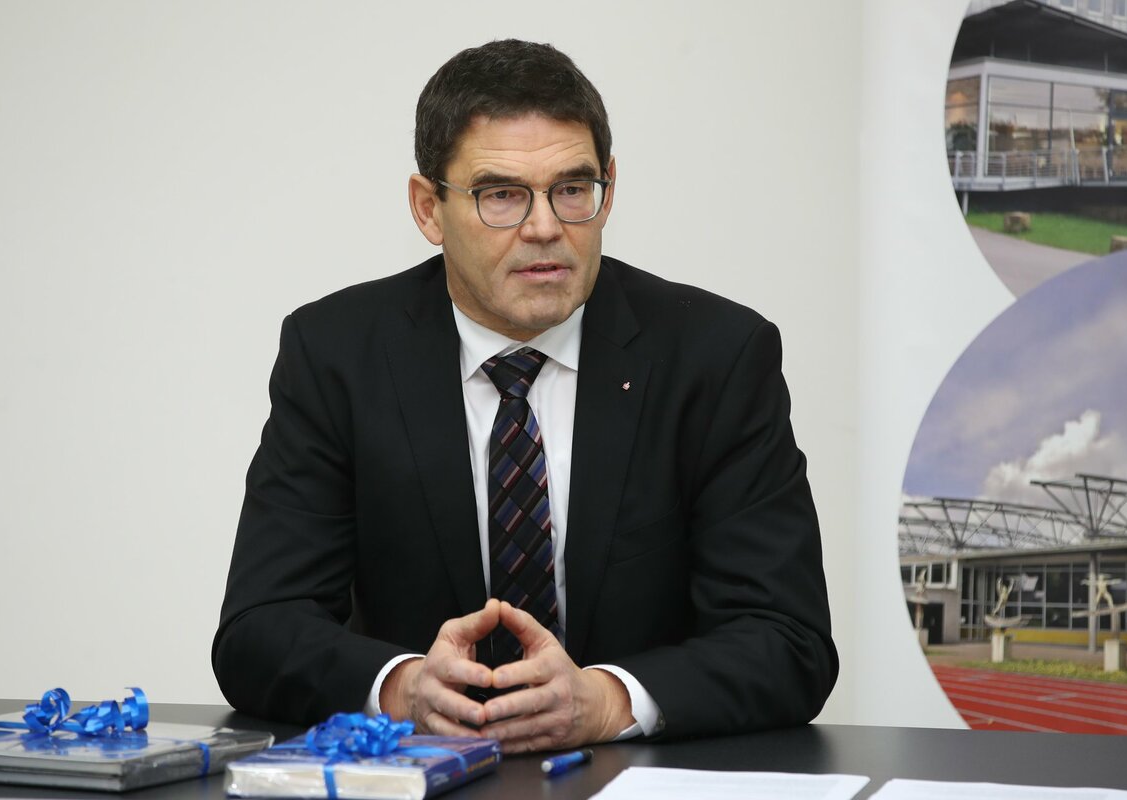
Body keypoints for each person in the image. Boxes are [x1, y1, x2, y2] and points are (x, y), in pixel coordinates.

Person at [212, 38, 837, 753]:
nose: (545, 227)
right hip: (422, 777)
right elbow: (260, 628)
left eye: (572, 189)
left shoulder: (716, 357)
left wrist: (607, 701)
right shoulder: (337, 355)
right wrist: (403, 689)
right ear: (428, 208)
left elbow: (787, 640)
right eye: (502, 195)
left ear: (608, 189)